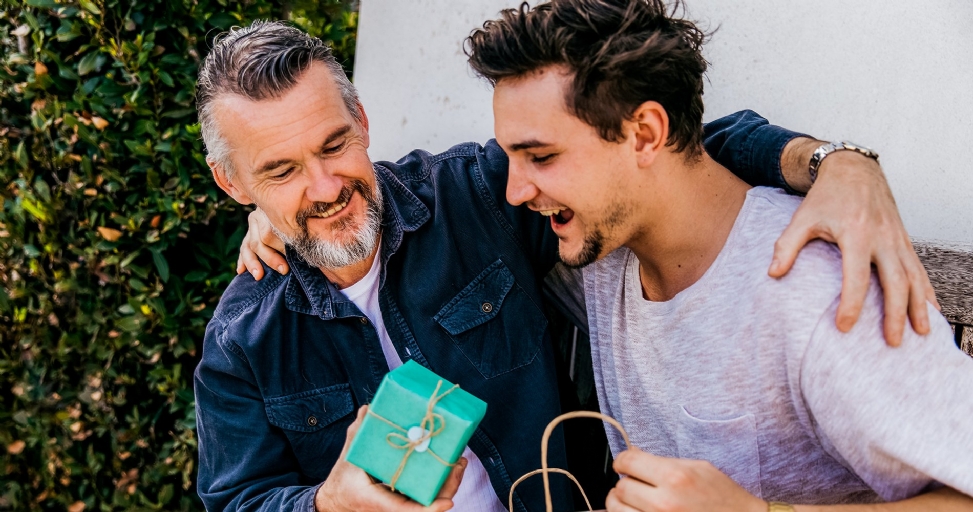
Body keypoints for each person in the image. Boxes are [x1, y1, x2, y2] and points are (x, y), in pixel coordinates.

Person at [204, 20, 933, 512]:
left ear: (362, 124)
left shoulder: (476, 199)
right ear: (235, 185)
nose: (325, 188)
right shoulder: (243, 339)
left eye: (333, 146)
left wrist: (835, 164)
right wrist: (324, 504)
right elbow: (237, 499)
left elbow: (659, 151)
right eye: (281, 171)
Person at [461, 0, 973, 510]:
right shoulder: (603, 252)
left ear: (644, 135)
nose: (515, 191)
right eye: (510, 157)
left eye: (542, 157)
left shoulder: (819, 292)